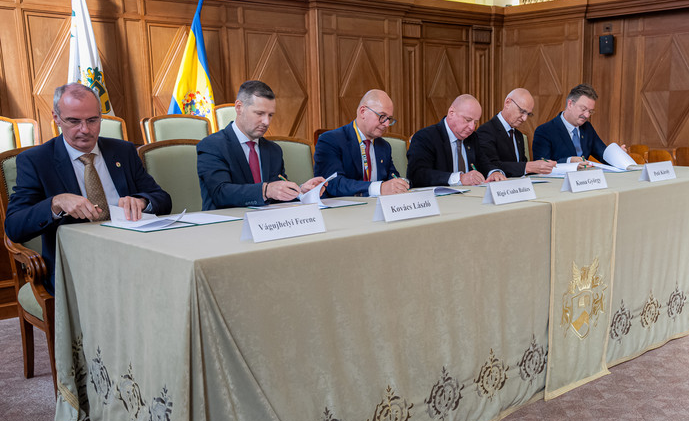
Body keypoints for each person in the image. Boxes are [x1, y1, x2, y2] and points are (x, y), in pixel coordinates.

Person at [5, 83, 171, 294]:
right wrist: (55, 203)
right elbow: (15, 227)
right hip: (77, 265)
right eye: (74, 121)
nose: (85, 129)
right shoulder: (36, 161)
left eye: (92, 120)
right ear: (56, 118)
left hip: (133, 253)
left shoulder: (123, 151)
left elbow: (162, 199)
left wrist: (142, 202)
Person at [196, 80, 324, 210]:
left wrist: (300, 191)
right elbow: (220, 193)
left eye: (270, 115)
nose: (266, 122)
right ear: (239, 107)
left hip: (267, 220)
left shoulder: (273, 150)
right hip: (226, 220)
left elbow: (276, 193)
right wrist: (266, 190)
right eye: (260, 113)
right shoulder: (212, 145)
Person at [314, 90, 408, 197]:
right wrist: (378, 188)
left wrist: (401, 184)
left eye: (389, 119)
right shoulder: (330, 140)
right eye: (382, 116)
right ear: (363, 112)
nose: (386, 124)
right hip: (343, 206)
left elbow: (392, 177)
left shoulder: (384, 146)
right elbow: (333, 184)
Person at [407, 94, 506, 188]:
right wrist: (459, 178)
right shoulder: (426, 136)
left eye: (475, 122)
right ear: (451, 113)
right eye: (468, 120)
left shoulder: (472, 137)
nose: (472, 127)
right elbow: (417, 174)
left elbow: (484, 163)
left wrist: (493, 172)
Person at [532, 83, 626, 165]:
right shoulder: (544, 131)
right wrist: (568, 161)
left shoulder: (587, 128)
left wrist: (617, 155)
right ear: (570, 104)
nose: (587, 115)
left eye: (590, 111)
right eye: (583, 109)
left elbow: (603, 154)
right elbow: (541, 165)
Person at [476, 88, 555, 176]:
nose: (525, 118)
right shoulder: (486, 131)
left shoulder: (518, 135)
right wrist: (528, 167)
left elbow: (521, 166)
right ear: (508, 103)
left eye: (528, 114)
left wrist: (540, 166)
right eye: (522, 111)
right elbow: (491, 166)